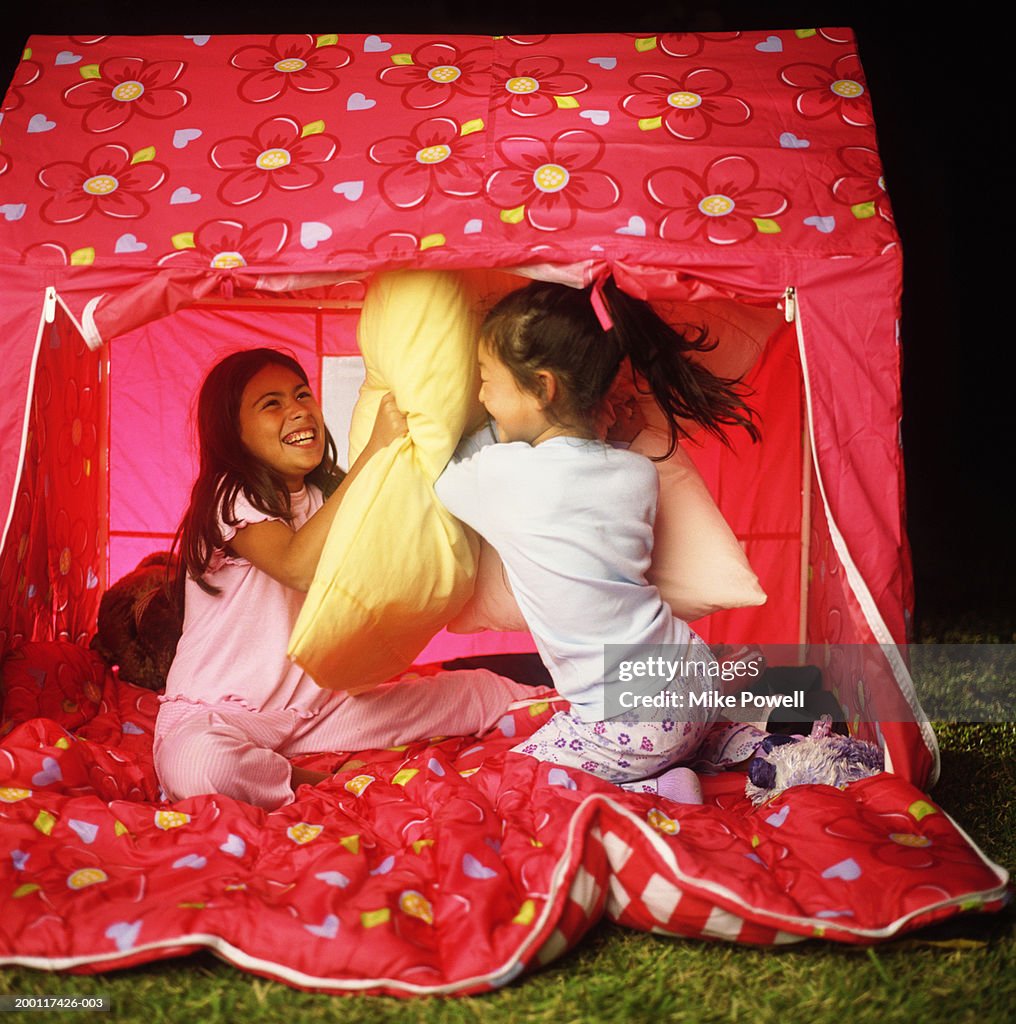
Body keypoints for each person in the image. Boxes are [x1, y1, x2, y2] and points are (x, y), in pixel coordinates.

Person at [154, 347, 550, 810]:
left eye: (303, 395)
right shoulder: (231, 494)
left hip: (320, 712)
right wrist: (371, 455)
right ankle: (304, 778)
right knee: (200, 766)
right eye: (272, 403)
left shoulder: (329, 497)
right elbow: (295, 566)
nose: (299, 409)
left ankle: (595, 713)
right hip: (222, 716)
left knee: (476, 694)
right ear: (232, 434)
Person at [435, 278, 760, 803]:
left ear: (542, 387)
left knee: (509, 784)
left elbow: (440, 472)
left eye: (486, 380)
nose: (479, 396)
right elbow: (583, 477)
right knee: (675, 729)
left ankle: (656, 785)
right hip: (694, 674)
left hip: (630, 720)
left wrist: (486, 428)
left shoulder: (502, 478)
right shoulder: (637, 473)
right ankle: (725, 745)